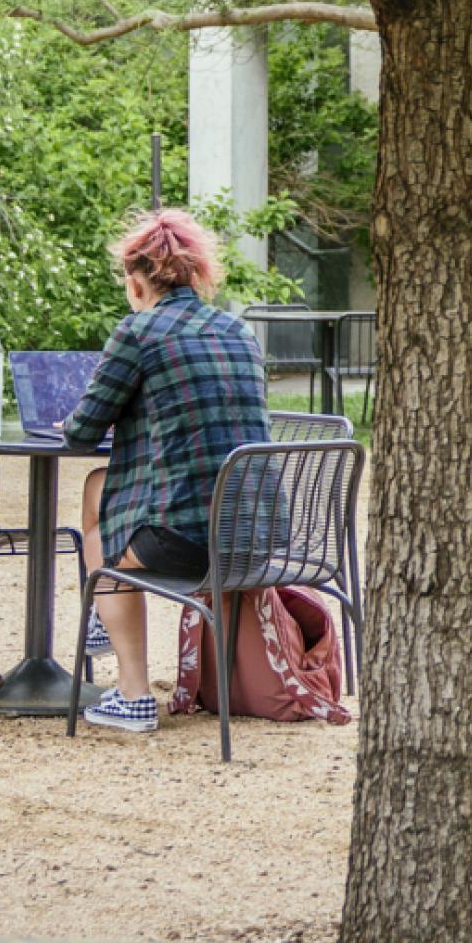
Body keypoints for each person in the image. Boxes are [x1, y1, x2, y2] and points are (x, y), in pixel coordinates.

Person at [65, 210, 274, 734]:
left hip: (188, 541)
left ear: (136, 282)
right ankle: (101, 612)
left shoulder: (138, 331)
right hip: (257, 535)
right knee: (99, 489)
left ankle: (132, 691)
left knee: (103, 525)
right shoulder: (238, 330)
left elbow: (80, 433)